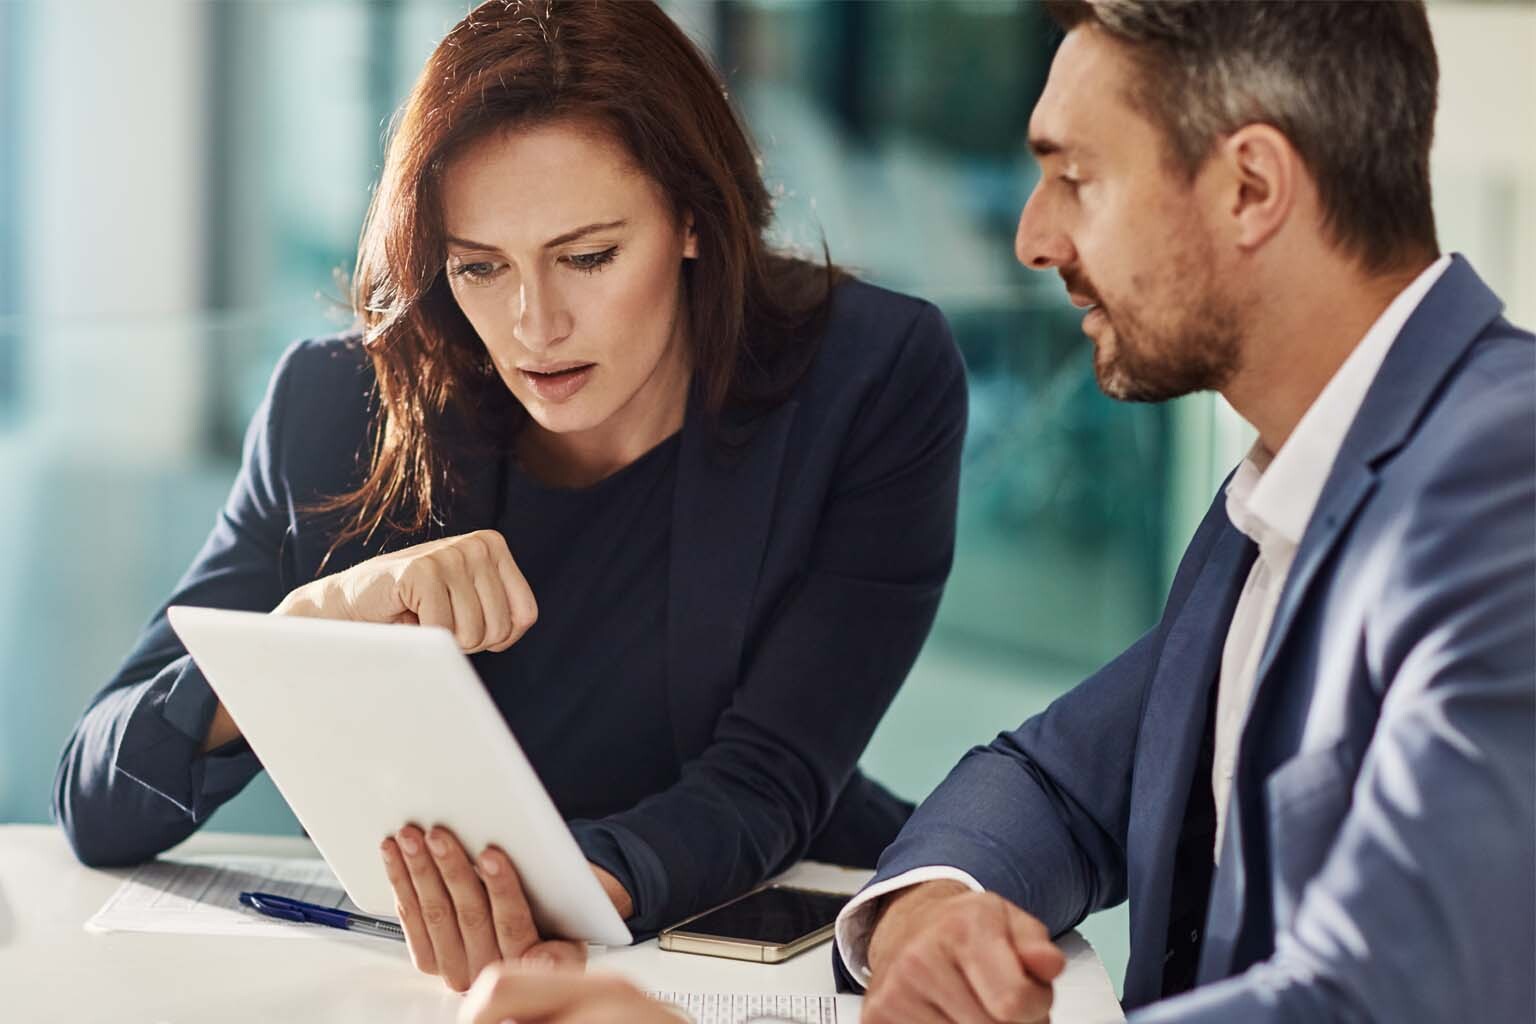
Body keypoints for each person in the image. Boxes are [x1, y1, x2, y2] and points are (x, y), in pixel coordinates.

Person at [432, 0, 1535, 1021]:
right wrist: (931, 909)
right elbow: (1052, 781)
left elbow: (1387, 997)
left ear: (1251, 188)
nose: (1033, 240)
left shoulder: (1504, 485)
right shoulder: (1292, 492)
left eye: (1075, 178)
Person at [52, 0, 967, 995]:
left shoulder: (870, 380)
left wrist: (565, 892)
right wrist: (315, 621)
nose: (536, 324)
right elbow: (99, 798)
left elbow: (770, 779)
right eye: (481, 267)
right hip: (460, 969)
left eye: (587, 256)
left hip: (757, 931)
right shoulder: (339, 408)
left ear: (695, 218)